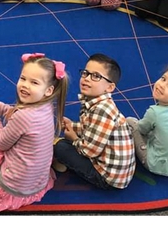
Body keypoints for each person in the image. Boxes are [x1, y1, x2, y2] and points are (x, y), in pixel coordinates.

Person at [0, 53, 69, 213]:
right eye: (23, 78)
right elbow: (19, 118)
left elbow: (1, 142)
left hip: (12, 188)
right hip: (36, 183)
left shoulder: (24, 116)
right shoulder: (47, 106)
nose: (25, 85)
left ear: (49, 90)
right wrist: (2, 108)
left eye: (34, 82)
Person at [53, 53, 135, 189]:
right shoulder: (99, 103)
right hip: (116, 169)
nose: (86, 79)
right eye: (85, 73)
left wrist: (73, 138)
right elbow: (91, 128)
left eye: (96, 76)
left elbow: (89, 151)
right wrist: (71, 125)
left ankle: (64, 162)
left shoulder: (102, 110)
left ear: (109, 87)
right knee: (66, 143)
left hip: (108, 178)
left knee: (61, 147)